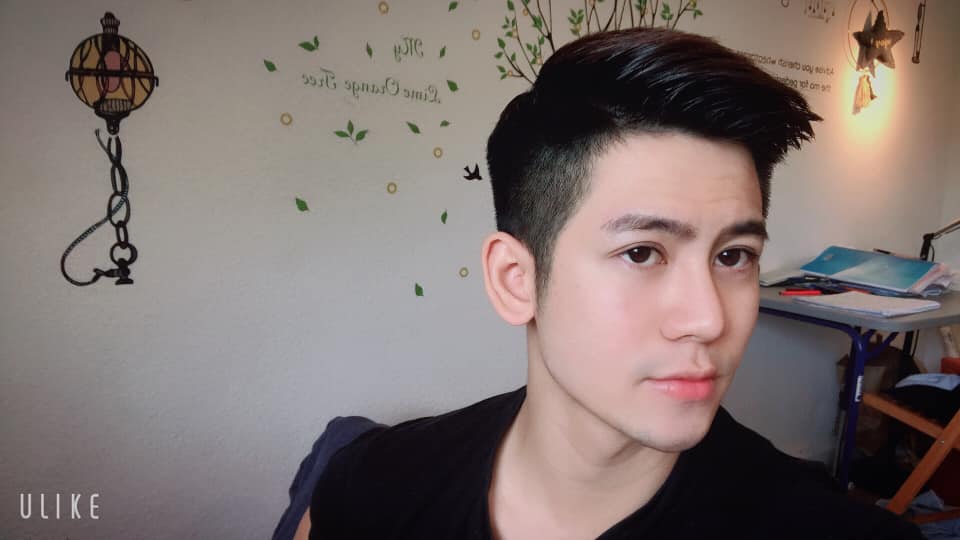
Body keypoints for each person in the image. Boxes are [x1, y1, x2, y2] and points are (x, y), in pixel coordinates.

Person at [296, 27, 923, 539]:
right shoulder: (372, 486)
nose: (708, 319)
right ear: (516, 280)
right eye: (642, 252)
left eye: (733, 256)